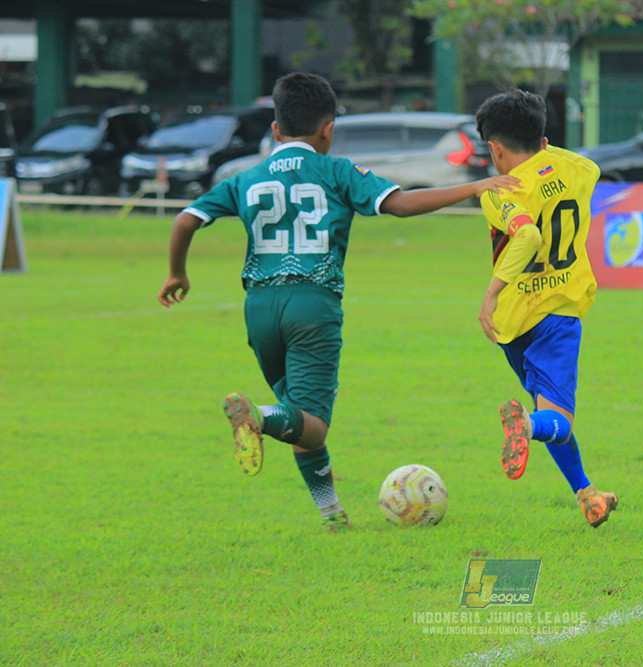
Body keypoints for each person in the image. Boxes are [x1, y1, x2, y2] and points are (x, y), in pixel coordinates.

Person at [157, 72, 518, 529]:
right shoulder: (336, 171)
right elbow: (400, 204)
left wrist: (176, 272)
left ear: (274, 130)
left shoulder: (246, 177)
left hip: (260, 308)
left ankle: (331, 513)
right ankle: (258, 418)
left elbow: (186, 220)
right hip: (312, 306)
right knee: (309, 421)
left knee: (299, 420)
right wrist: (474, 187)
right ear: (328, 129)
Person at [474, 89, 618, 528]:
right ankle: (529, 427)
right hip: (558, 311)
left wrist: (493, 295)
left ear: (495, 149)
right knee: (550, 417)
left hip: (514, 322)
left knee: (547, 409)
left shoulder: (497, 192)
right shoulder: (581, 169)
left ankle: (588, 495)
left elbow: (525, 233)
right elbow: (535, 233)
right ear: (542, 136)